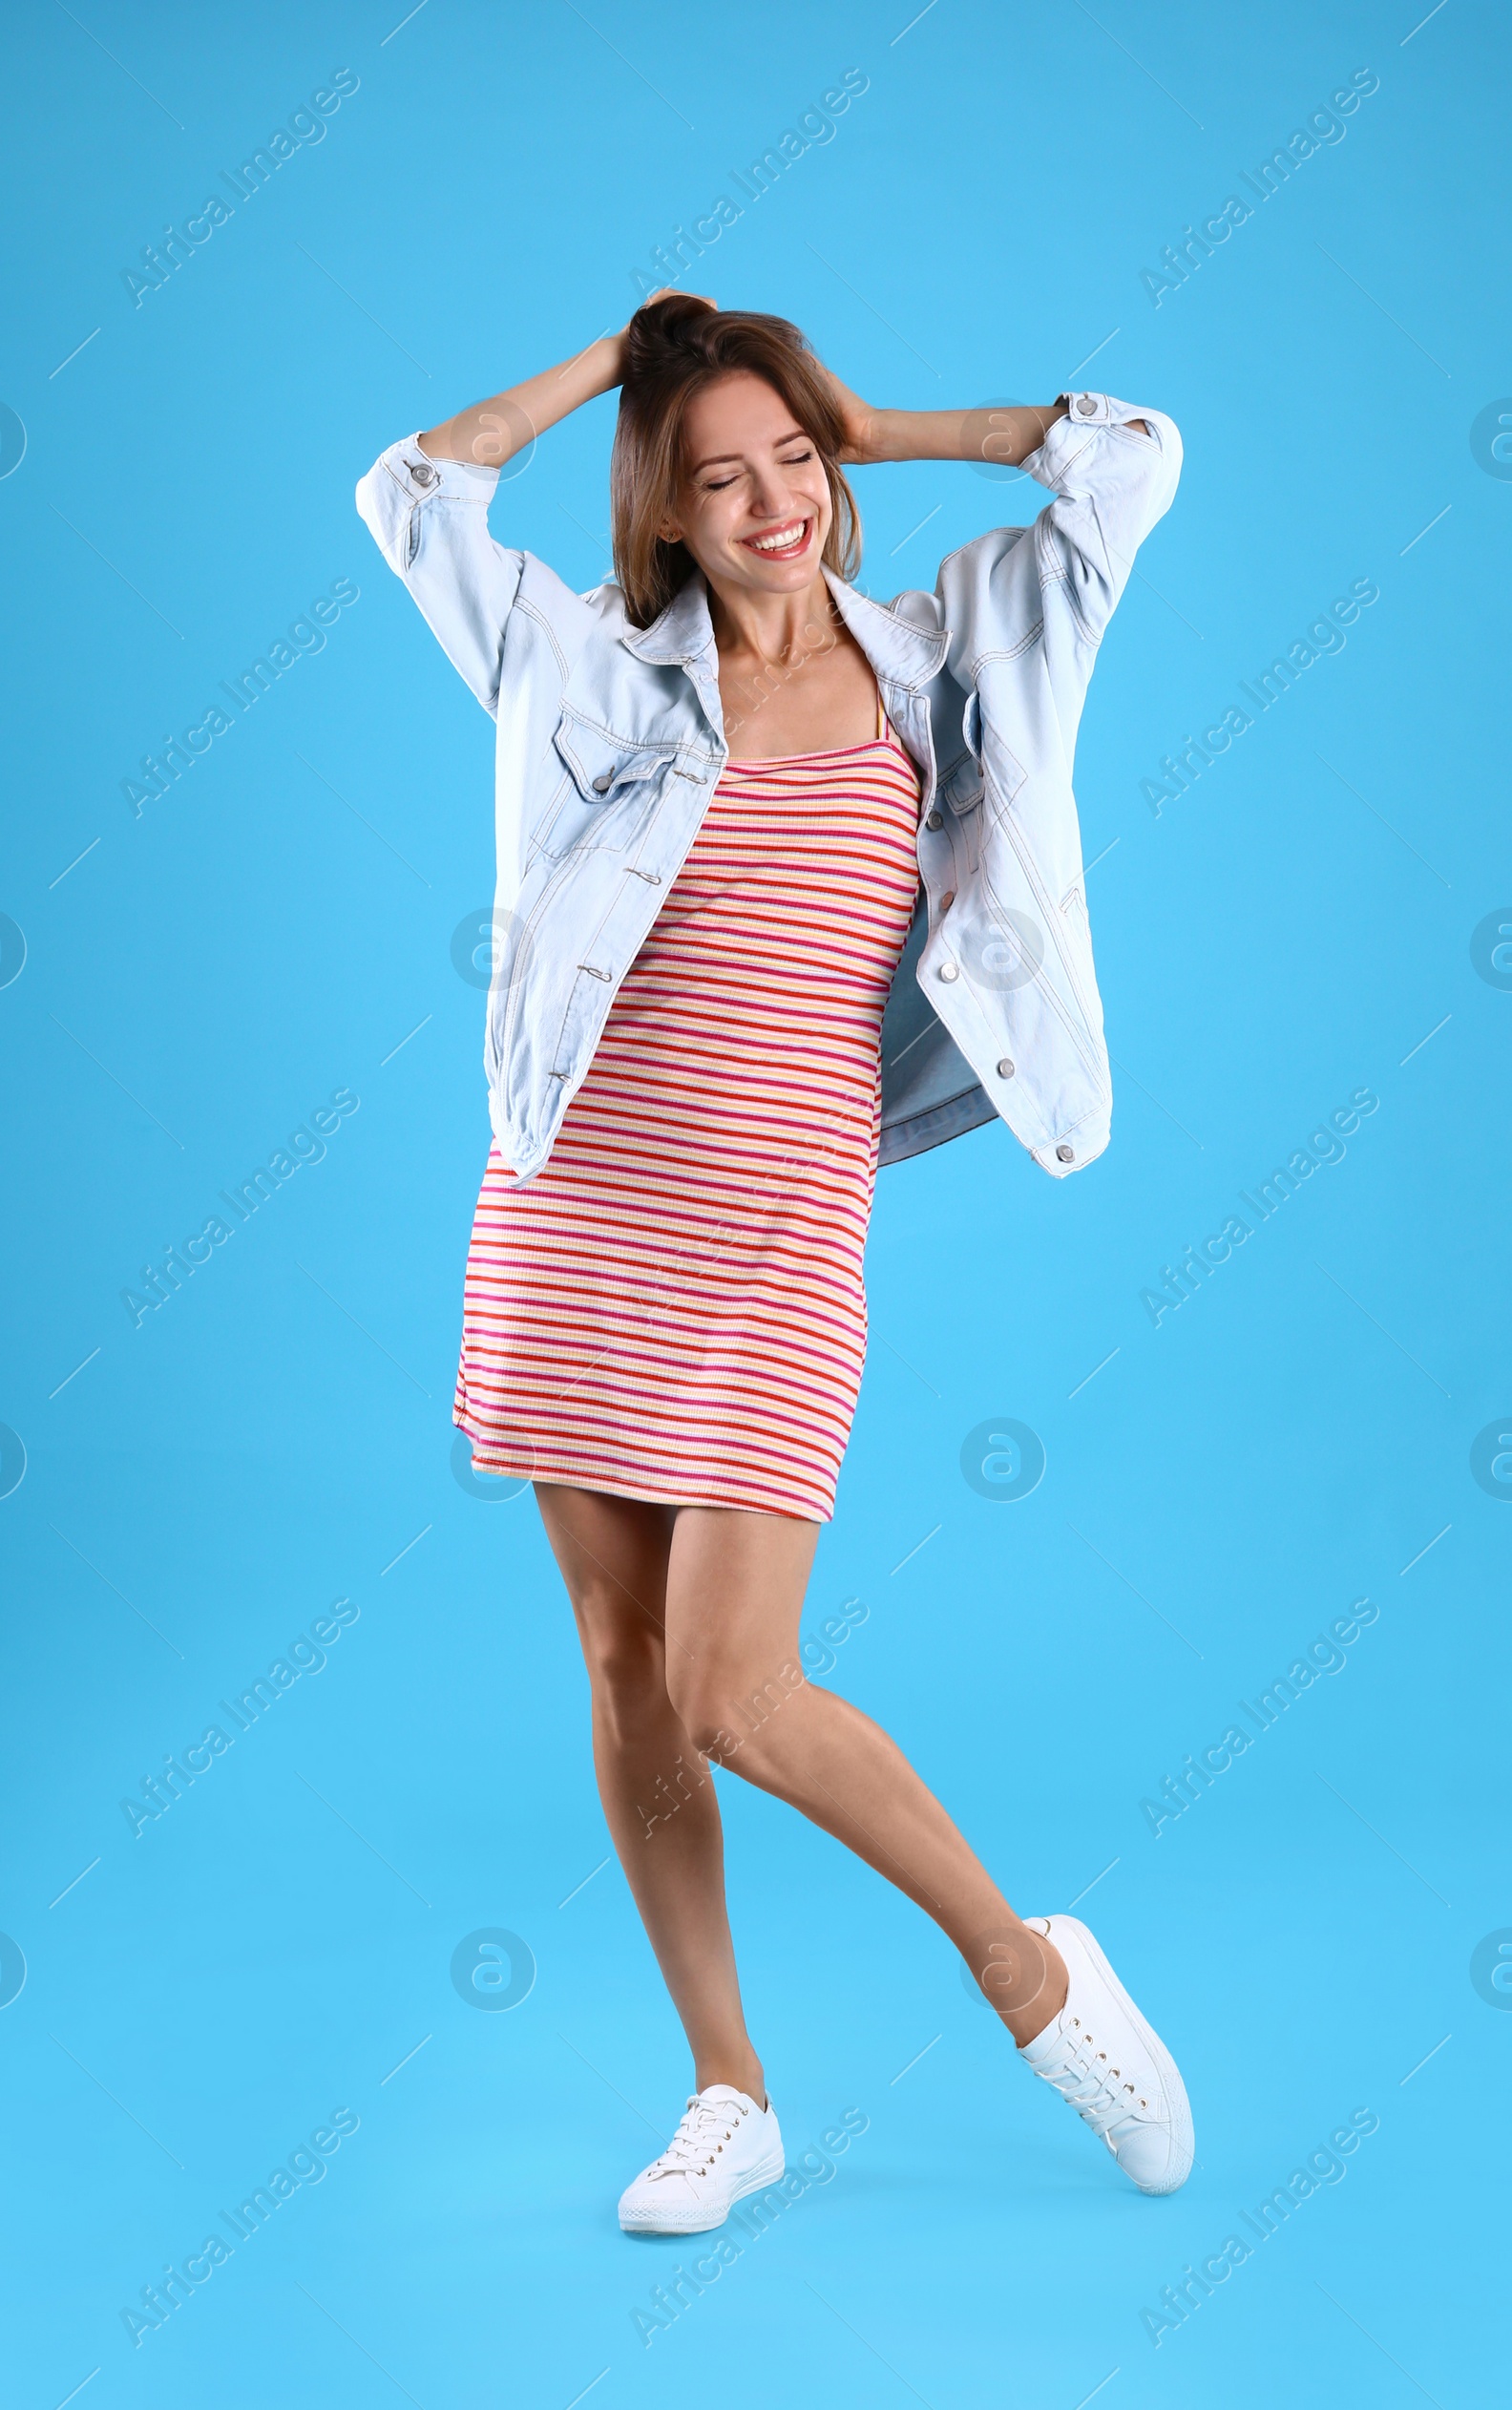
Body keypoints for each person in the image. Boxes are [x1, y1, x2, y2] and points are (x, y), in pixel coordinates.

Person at [357, 292, 1192, 2233]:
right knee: (624, 1662)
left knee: (738, 1680)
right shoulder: (583, 660)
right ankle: (727, 2084)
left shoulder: (949, 649)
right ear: (660, 503)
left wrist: (876, 417)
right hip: (576, 1210)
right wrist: (611, 360)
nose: (769, 504)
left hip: (783, 1231)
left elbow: (1127, 458)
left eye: (790, 464)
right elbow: (415, 487)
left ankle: (1027, 1967)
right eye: (717, 478)